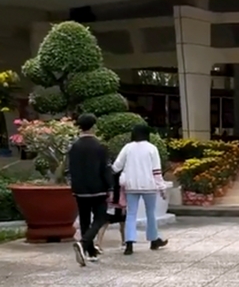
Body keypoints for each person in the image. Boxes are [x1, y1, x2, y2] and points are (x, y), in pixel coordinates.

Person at [112, 124, 169, 255]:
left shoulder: (128, 147)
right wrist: (162, 188)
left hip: (131, 185)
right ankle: (153, 240)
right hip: (149, 186)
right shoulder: (152, 148)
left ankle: (129, 243)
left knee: (131, 214)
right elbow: (156, 171)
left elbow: (116, 166)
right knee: (151, 213)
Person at [68, 113, 113, 266]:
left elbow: (70, 168)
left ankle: (90, 251)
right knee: (101, 217)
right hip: (98, 187)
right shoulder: (100, 146)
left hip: (79, 189)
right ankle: (84, 242)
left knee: (84, 219)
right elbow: (105, 168)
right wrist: (110, 186)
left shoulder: (74, 147)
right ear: (94, 126)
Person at [95, 171, 126, 253]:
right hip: (120, 205)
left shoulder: (108, 179)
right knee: (123, 225)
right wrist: (124, 206)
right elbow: (124, 194)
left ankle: (98, 243)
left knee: (104, 224)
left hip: (110, 205)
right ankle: (124, 242)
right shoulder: (122, 179)